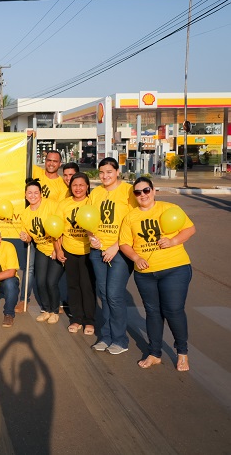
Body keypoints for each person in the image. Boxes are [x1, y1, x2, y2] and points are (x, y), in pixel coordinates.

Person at [119, 177, 196, 372]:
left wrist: (173, 241)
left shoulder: (168, 208)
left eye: (146, 190)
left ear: (153, 191)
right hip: (145, 273)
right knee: (152, 312)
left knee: (172, 310)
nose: (142, 195)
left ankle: (182, 353)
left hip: (175, 268)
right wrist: (136, 258)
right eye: (138, 192)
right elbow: (124, 244)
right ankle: (154, 353)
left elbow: (190, 229)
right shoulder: (131, 217)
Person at [87, 157, 137, 355]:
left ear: (117, 171)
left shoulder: (128, 191)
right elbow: (87, 219)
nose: (105, 176)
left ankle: (120, 340)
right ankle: (106, 336)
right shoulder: (96, 193)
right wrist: (92, 238)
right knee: (105, 296)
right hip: (97, 251)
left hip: (119, 251)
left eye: (109, 171)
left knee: (115, 295)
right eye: (101, 172)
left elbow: (135, 222)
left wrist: (116, 247)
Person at [54, 172, 96, 335]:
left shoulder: (92, 202)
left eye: (81, 185)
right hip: (69, 250)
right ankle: (77, 319)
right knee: (73, 286)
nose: (78, 188)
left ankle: (89, 321)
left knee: (87, 286)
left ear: (87, 187)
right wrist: (58, 249)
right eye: (74, 185)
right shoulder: (64, 204)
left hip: (88, 251)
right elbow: (56, 228)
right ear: (70, 187)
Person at [19, 180, 63, 324]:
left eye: (36, 193)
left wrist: (57, 249)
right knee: (40, 282)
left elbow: (59, 228)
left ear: (41, 194)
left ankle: (55, 310)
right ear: (25, 195)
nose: (33, 195)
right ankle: (46, 309)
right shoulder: (25, 214)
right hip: (41, 249)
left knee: (51, 282)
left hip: (56, 247)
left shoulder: (51, 205)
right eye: (29, 193)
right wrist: (26, 238)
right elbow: (30, 237)